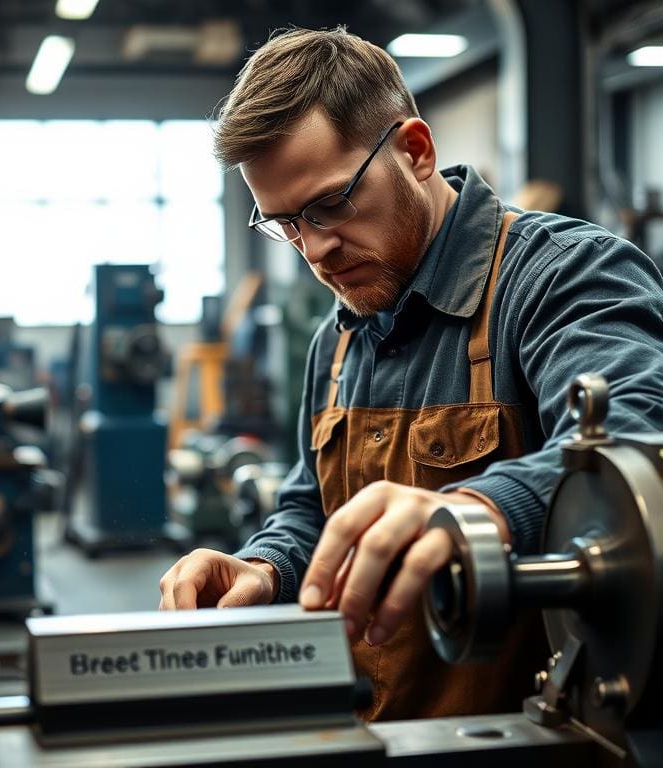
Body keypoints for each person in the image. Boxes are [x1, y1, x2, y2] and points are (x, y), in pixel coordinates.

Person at [158, 26, 663, 721]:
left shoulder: (563, 276)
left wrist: (478, 510)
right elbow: (312, 509)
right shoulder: (336, 338)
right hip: (377, 731)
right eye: (285, 224)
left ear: (416, 151)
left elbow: (635, 440)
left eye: (332, 204)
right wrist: (265, 567)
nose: (316, 249)